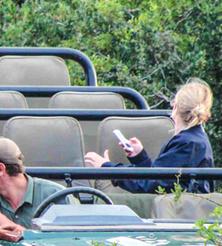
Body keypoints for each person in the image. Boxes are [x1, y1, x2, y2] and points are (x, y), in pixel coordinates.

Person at [84, 78, 214, 193]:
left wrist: (107, 168)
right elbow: (160, 178)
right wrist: (140, 158)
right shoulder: (196, 140)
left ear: (175, 107)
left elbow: (152, 185)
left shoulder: (187, 143)